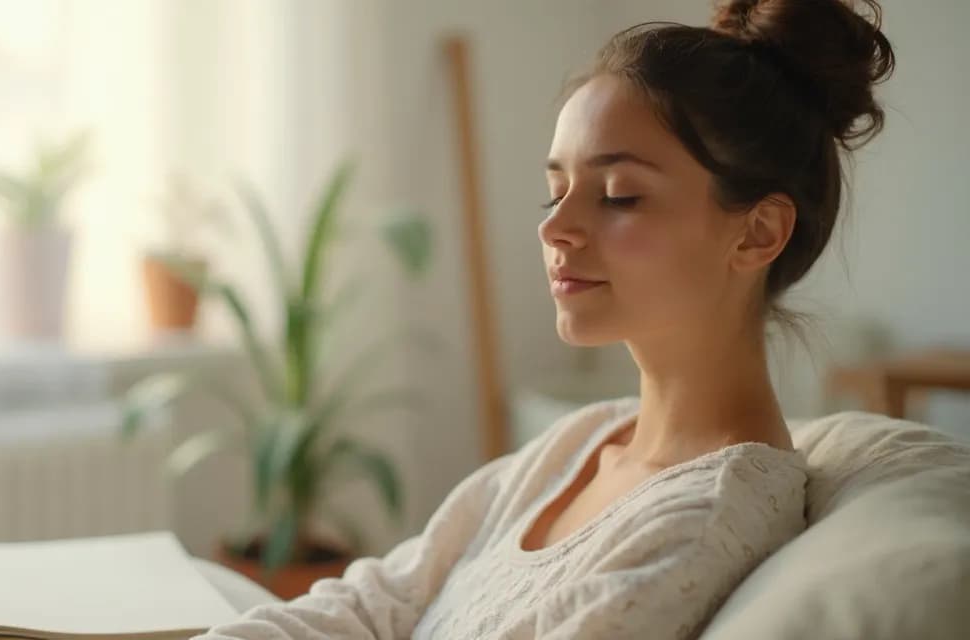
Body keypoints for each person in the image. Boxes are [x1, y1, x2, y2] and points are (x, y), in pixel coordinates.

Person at [197, 0, 894, 637]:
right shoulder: (580, 444)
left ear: (758, 233)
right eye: (555, 191)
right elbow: (379, 599)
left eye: (618, 195)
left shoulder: (705, 520)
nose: (554, 227)